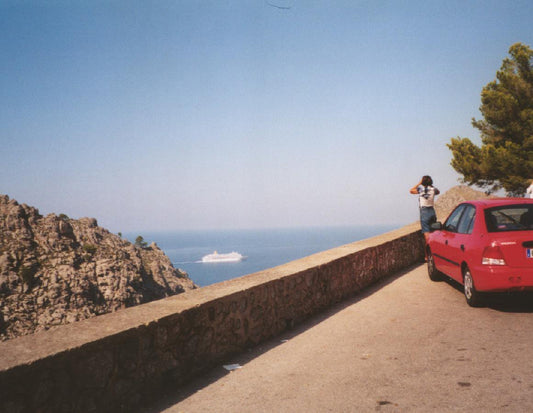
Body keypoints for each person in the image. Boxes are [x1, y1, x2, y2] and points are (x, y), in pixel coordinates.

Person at [410, 175, 440, 245]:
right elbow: (438, 192)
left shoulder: (420, 190)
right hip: (432, 211)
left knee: (427, 236)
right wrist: (431, 185)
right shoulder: (433, 189)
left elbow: (411, 190)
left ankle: (428, 255)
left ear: (422, 182)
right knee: (433, 233)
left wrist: (419, 183)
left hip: (424, 212)